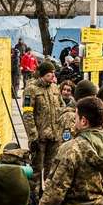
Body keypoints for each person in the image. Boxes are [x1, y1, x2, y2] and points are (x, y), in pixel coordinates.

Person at [23, 62, 65, 192]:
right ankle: (34, 197)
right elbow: (28, 113)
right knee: (36, 171)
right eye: (49, 74)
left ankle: (47, 196)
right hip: (39, 137)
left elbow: (62, 107)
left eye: (53, 73)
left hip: (55, 136)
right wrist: (33, 135)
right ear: (42, 75)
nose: (52, 76)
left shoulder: (55, 88)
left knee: (52, 170)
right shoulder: (31, 90)